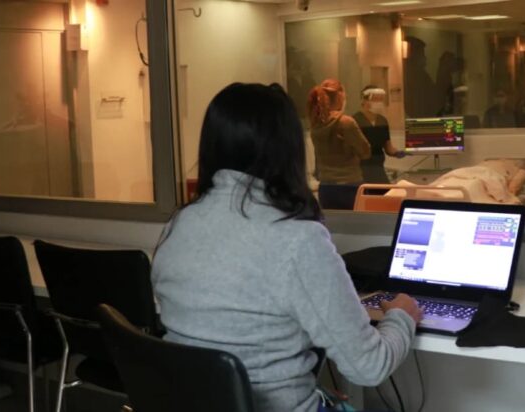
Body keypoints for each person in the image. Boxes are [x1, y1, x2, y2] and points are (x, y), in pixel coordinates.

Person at [152, 83, 422, 412]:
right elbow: (369, 366)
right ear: (289, 148)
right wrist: (401, 315)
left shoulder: (179, 225)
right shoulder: (297, 238)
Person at [308, 79, 372, 209]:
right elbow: (366, 152)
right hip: (350, 187)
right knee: (354, 227)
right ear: (339, 97)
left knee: (334, 227)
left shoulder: (316, 124)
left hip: (326, 189)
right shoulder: (346, 122)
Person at [354, 85, 405, 183]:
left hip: (378, 168)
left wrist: (398, 152)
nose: (379, 103)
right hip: (360, 170)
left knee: (386, 195)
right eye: (375, 99)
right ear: (364, 100)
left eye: (381, 100)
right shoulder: (355, 121)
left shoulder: (382, 121)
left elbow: (388, 148)